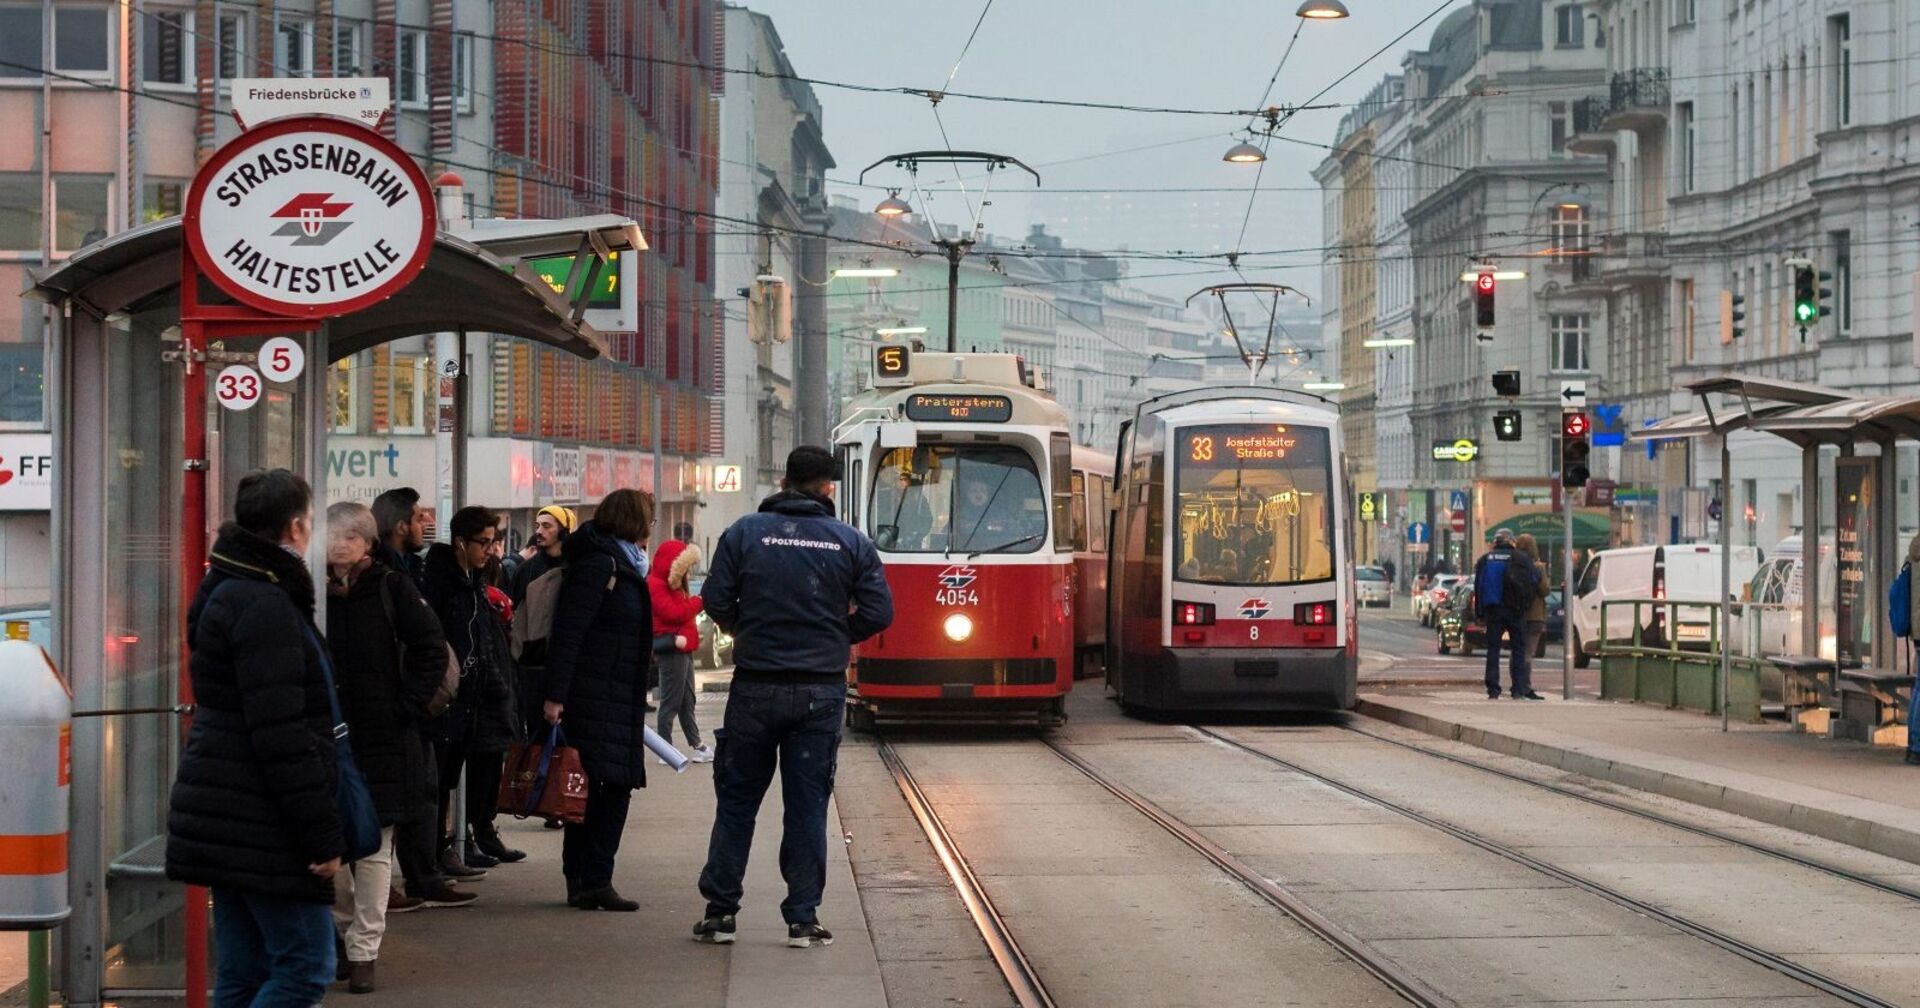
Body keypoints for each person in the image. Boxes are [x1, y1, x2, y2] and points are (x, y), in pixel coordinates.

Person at [693, 446, 894, 949]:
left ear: (783, 481)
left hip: (755, 688)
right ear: (829, 487)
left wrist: (749, 630)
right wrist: (835, 634)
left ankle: (720, 914)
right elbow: (879, 612)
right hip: (818, 692)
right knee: (807, 806)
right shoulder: (850, 542)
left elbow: (714, 599)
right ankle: (802, 918)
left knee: (737, 802)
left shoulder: (743, 533)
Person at [166, 470, 341, 1006]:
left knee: (244, 971)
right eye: (311, 521)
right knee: (307, 968)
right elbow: (281, 733)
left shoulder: (226, 585)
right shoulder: (265, 604)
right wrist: (320, 835)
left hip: (226, 806)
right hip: (263, 819)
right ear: (294, 528)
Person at [323, 502, 457, 993]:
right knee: (332, 847)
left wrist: (407, 706)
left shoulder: (390, 587)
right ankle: (341, 935)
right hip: (330, 737)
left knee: (375, 847)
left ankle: (364, 952)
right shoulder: (311, 592)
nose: (340, 544)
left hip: (384, 735)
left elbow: (430, 647)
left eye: (351, 536)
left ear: (368, 544)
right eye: (334, 535)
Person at [543, 489, 657, 911]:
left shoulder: (619, 563)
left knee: (595, 788)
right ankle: (592, 879)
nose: (651, 527)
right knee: (603, 789)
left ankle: (585, 880)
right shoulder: (602, 565)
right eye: (649, 518)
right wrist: (555, 696)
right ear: (632, 521)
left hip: (613, 694)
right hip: (594, 695)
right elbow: (569, 633)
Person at [422, 506, 524, 873]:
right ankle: (434, 856)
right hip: (448, 698)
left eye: (493, 541)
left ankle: (450, 846)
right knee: (439, 781)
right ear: (461, 543)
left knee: (453, 778)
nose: (490, 549)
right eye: (483, 542)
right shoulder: (443, 583)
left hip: (474, 695)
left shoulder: (474, 581)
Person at [650, 538, 712, 762]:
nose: (687, 573)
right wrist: (699, 602)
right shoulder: (657, 585)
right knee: (671, 701)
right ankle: (664, 748)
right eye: (684, 567)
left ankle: (697, 745)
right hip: (673, 647)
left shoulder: (670, 584)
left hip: (683, 648)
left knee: (687, 700)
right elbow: (673, 613)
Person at [1474, 527, 1543, 701]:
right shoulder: (1522, 558)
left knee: (1493, 650)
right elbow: (1535, 580)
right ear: (1512, 541)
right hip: (1516, 610)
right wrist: (1525, 602)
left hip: (1493, 610)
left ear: (1496, 542)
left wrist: (1480, 613)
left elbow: (1479, 587)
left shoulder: (1485, 560)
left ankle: (1493, 689)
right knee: (1518, 649)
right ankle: (1518, 689)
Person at [508, 505, 576, 605]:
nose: (538, 531)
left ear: (563, 532)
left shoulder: (577, 566)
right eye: (537, 526)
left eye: (546, 526)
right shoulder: (526, 569)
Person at [371, 487, 431, 589]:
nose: (424, 527)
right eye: (419, 521)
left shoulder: (414, 565)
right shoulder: (379, 575)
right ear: (401, 527)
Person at [1514, 533, 1550, 663]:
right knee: (1528, 652)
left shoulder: (1513, 565)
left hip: (1517, 613)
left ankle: (1517, 681)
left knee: (1516, 651)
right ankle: (1525, 682)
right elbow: (1544, 590)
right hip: (1535, 616)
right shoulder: (1538, 567)